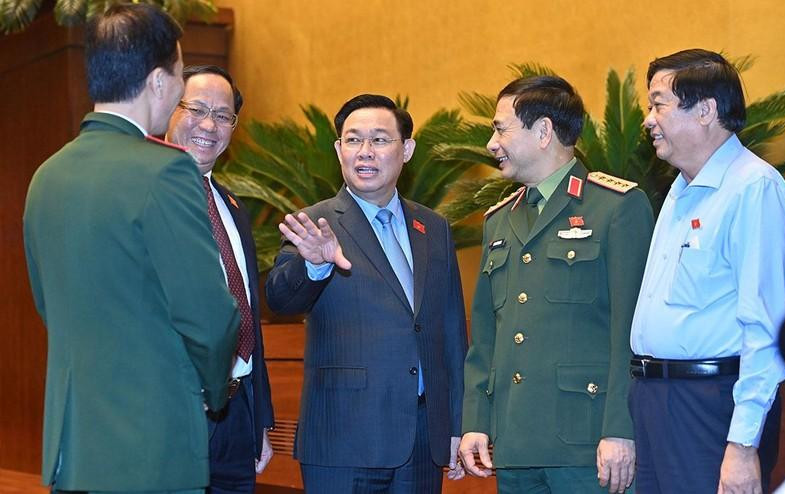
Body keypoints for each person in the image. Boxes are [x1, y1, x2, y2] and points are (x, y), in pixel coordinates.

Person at [22, 4, 240, 493]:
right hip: (152, 445)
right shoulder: (165, 170)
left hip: (73, 449)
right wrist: (212, 391)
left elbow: (49, 307)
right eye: (182, 73)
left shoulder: (46, 177)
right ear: (160, 80)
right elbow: (208, 316)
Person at [460, 75, 654, 494]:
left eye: (499, 128)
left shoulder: (616, 207)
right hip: (512, 443)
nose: (492, 144)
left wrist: (621, 429)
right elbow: (486, 337)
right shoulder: (498, 220)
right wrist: (476, 420)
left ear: (543, 131)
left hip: (587, 444)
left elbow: (632, 333)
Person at [264, 94, 467, 493]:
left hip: (422, 440)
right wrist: (315, 265)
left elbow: (451, 332)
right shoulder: (315, 224)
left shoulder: (434, 227)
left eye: (379, 140)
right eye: (353, 140)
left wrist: (457, 423)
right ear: (339, 150)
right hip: (344, 439)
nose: (365, 152)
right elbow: (281, 299)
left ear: (406, 150)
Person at [629, 48, 785, 494]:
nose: (648, 119)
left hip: (710, 406)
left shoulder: (753, 188)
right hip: (656, 403)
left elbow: (766, 327)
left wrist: (742, 444)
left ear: (705, 111)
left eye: (658, 104)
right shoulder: (679, 191)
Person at [167, 65, 275, 493]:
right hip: (176, 407)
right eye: (197, 109)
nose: (209, 125)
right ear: (169, 107)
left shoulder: (233, 206)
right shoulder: (145, 195)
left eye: (224, 115)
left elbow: (248, 312)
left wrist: (259, 417)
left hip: (238, 407)